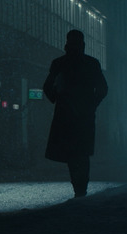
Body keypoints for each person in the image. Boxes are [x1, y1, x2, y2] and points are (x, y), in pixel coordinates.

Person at [43, 29, 108, 198]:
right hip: (84, 116)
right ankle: (81, 188)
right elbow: (103, 89)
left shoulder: (59, 63)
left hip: (65, 115)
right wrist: (91, 105)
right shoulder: (91, 64)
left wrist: (57, 97)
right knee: (82, 153)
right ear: (83, 45)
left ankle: (78, 188)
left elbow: (47, 86)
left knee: (72, 154)